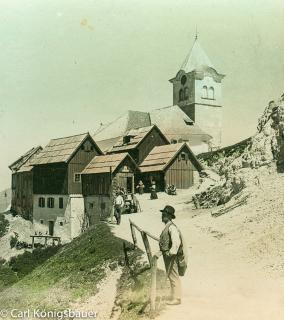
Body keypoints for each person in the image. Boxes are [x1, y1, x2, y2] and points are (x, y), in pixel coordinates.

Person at [155, 205, 187, 305]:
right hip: (168, 255)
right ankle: (174, 295)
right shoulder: (168, 227)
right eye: (162, 214)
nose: (162, 217)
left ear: (168, 216)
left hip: (172, 256)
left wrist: (171, 252)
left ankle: (177, 299)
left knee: (173, 276)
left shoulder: (172, 227)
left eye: (163, 215)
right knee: (171, 275)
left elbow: (176, 242)